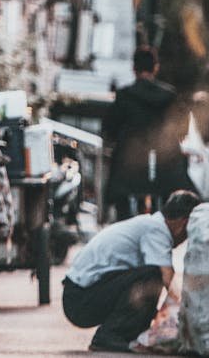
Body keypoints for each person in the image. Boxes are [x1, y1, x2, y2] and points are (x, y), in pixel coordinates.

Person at [62, 190, 201, 352]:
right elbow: (167, 277)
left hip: (82, 295)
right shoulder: (157, 230)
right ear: (184, 224)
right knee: (152, 276)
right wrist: (187, 315)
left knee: (147, 281)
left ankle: (128, 335)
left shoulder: (150, 224)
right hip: (80, 300)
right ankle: (109, 335)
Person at [102, 46, 180, 219]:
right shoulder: (169, 96)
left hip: (130, 162)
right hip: (162, 163)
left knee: (123, 201)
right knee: (166, 198)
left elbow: (110, 127)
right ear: (156, 67)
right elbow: (180, 128)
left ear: (133, 68)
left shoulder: (124, 96)